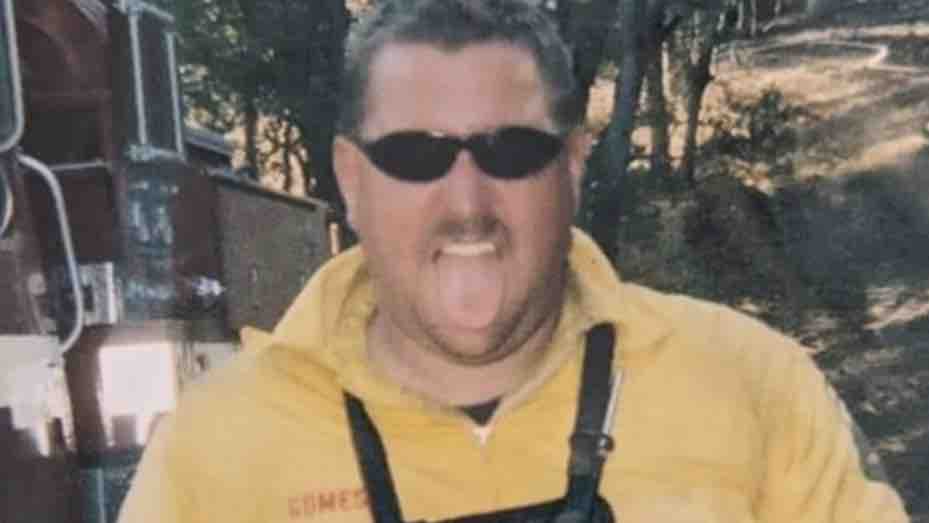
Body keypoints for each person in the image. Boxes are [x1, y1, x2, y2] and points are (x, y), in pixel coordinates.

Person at [117, 1, 909, 522]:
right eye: (415, 155)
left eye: (511, 150)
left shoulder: (753, 387)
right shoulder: (214, 450)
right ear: (351, 179)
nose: (467, 202)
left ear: (572, 167)